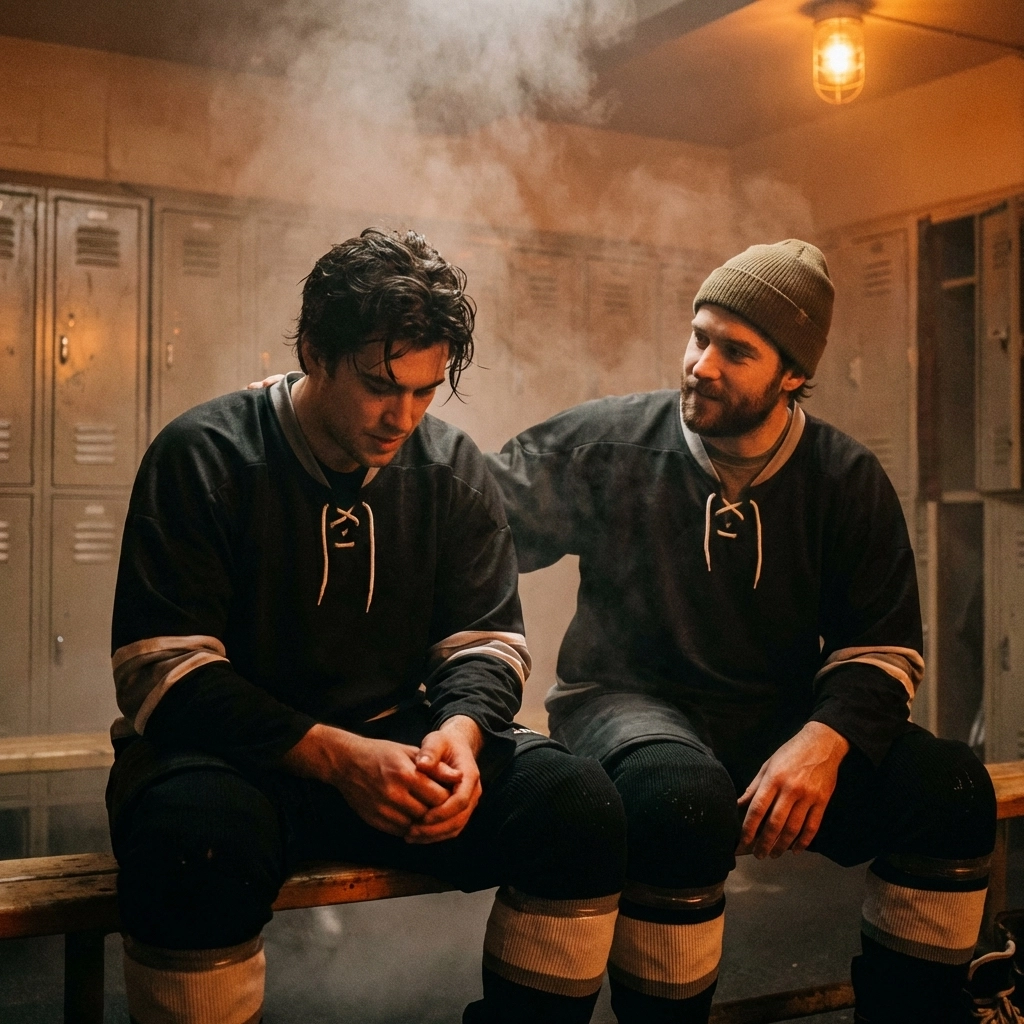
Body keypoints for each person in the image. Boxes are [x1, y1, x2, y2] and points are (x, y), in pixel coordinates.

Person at [107, 228, 626, 1024]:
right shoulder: (205, 454)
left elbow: (485, 639)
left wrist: (460, 733)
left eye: (426, 391)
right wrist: (338, 759)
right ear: (315, 350)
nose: (404, 416)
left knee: (578, 805)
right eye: (382, 384)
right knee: (193, 845)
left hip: (396, 743)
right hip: (236, 759)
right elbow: (164, 670)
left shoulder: (450, 468)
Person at [485, 240, 997, 1024]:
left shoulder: (844, 479)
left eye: (735, 350)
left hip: (778, 721)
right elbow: (467, 520)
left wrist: (823, 742)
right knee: (681, 803)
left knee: (953, 789)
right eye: (698, 336)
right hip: (624, 700)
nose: (701, 364)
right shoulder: (615, 445)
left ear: (793, 374)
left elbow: (882, 646)